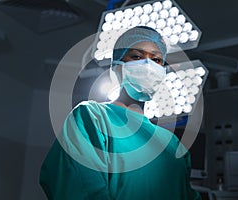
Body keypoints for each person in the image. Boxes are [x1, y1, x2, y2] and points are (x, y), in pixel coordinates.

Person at [40, 26, 201, 200]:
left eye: (156, 60)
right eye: (137, 57)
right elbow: (79, 187)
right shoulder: (93, 117)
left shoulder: (172, 144)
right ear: (117, 68)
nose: (148, 66)